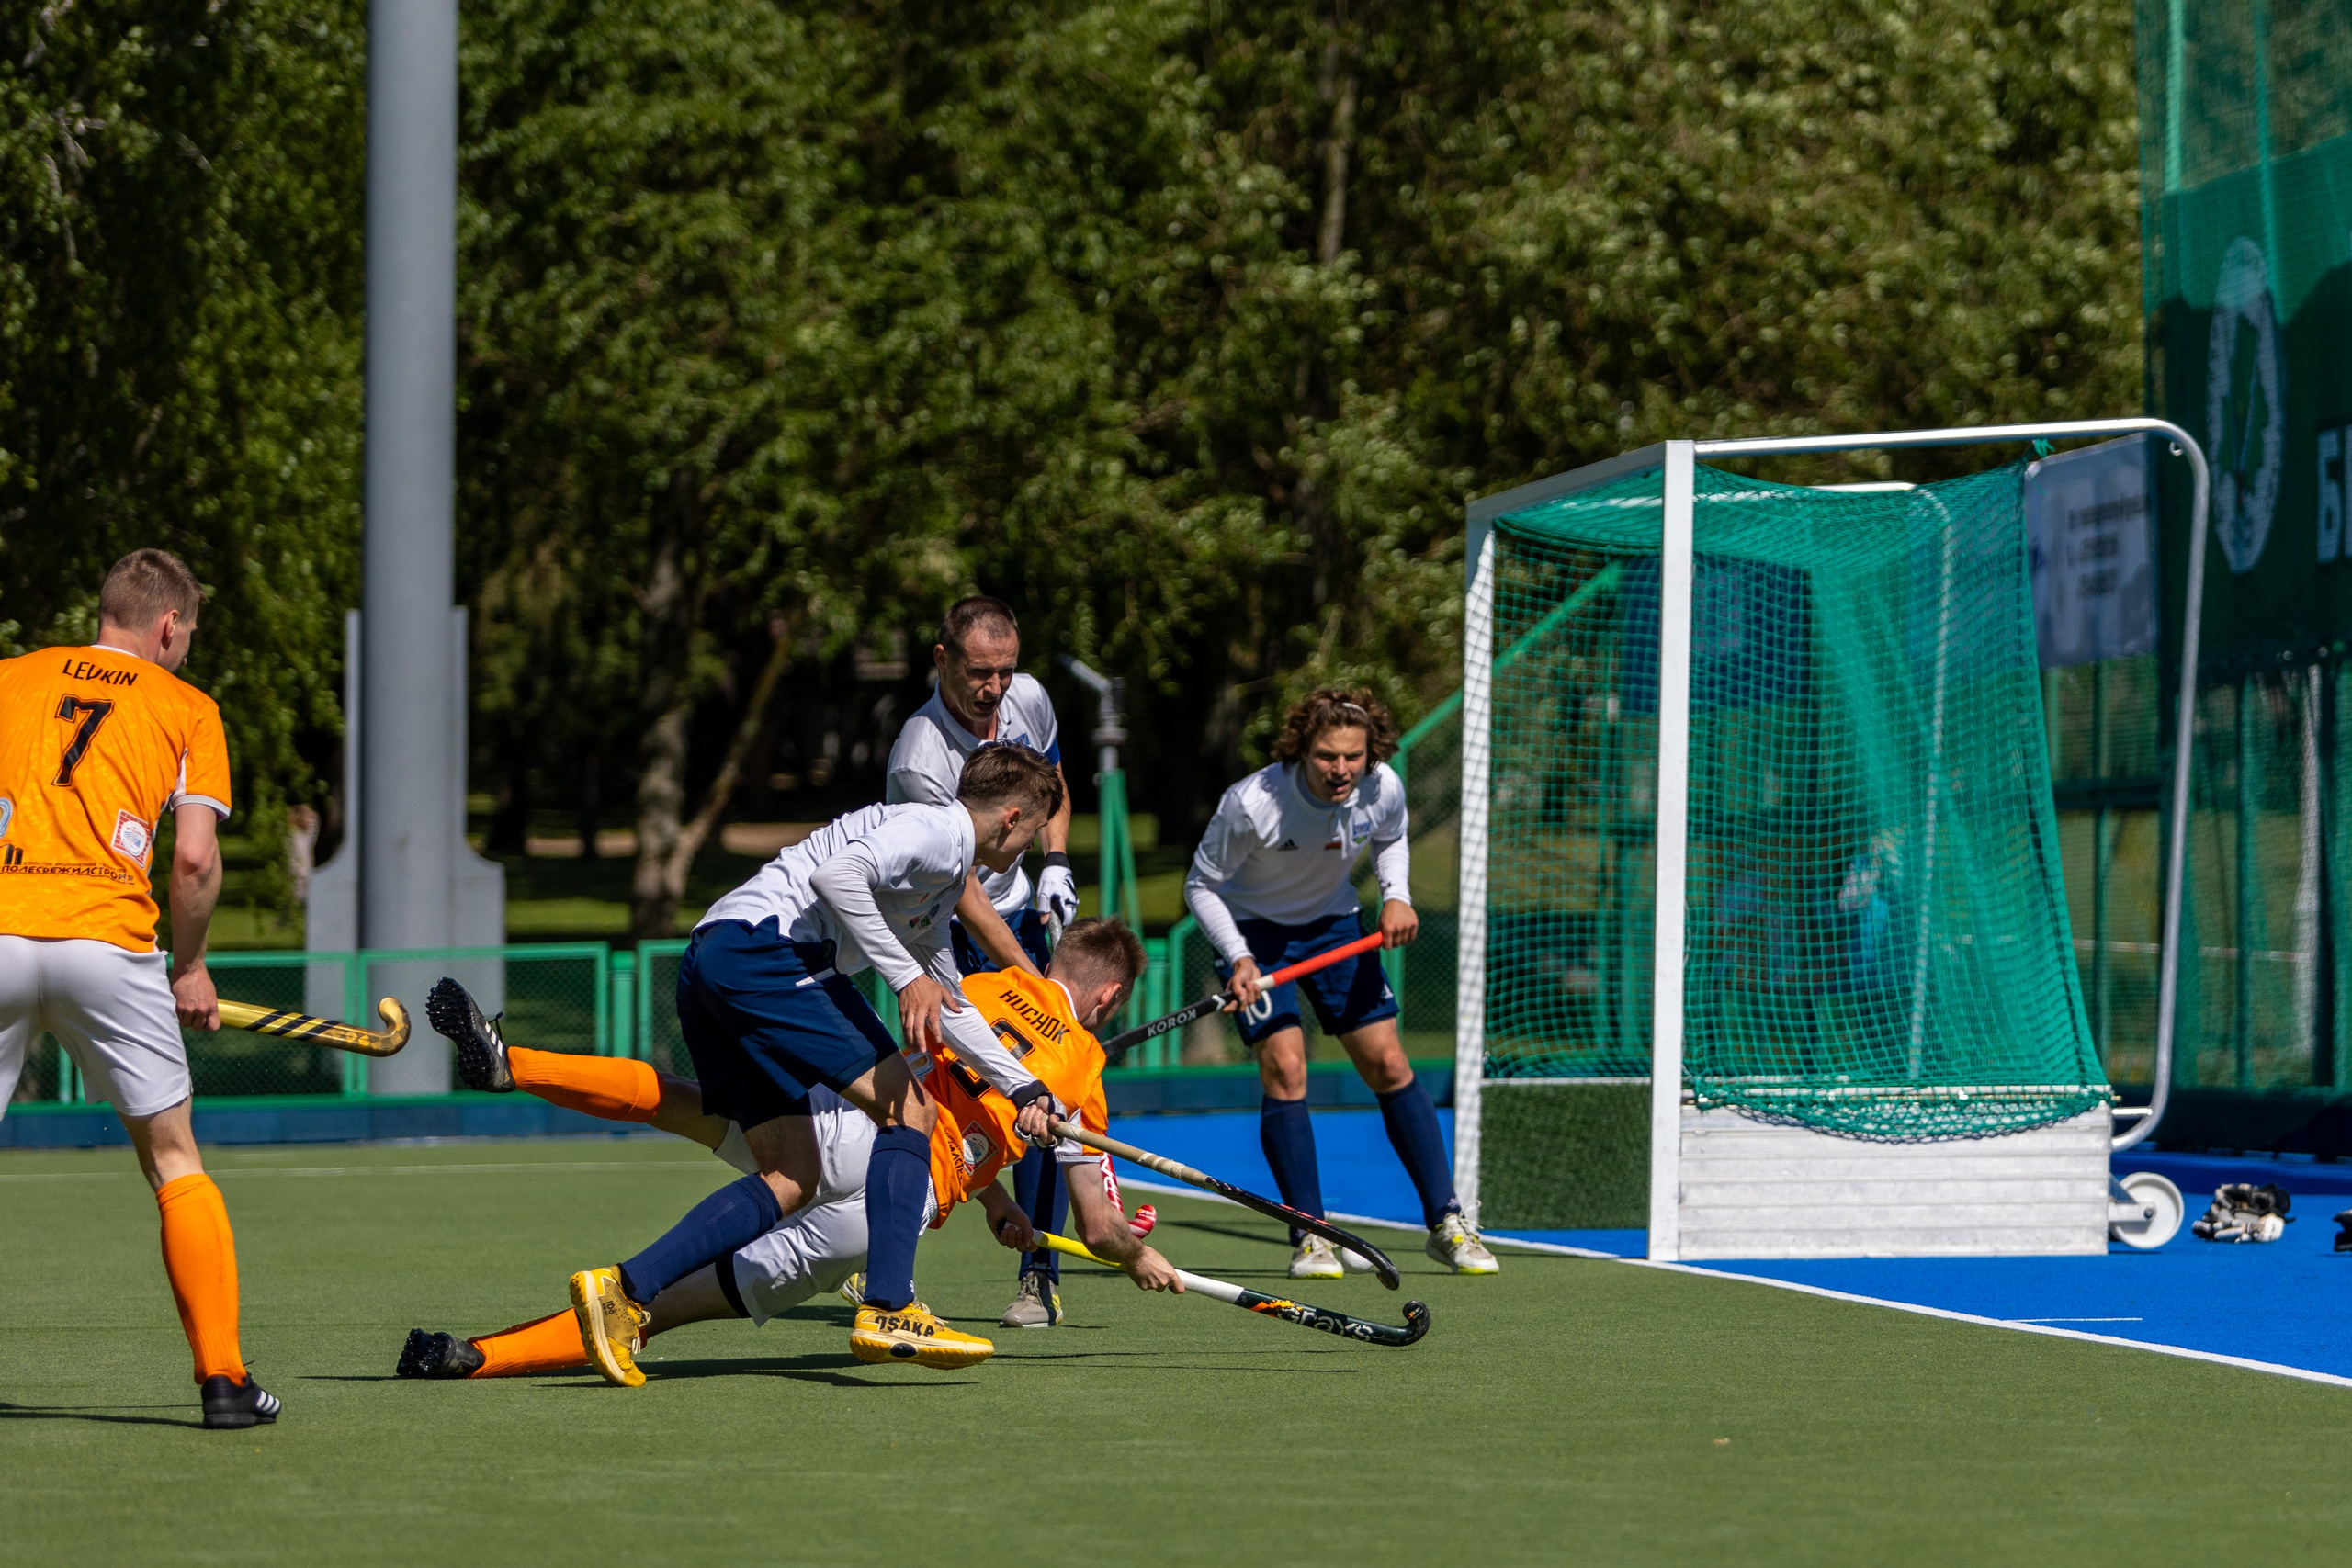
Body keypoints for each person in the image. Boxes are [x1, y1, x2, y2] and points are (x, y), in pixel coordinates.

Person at [398, 919, 1175, 1384]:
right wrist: (1139, 1257)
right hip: (883, 1213)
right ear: (1106, 1001)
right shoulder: (1086, 1068)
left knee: (683, 1102)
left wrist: (995, 1195)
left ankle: (517, 1063)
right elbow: (1099, 1224)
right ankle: (474, 1356)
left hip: (852, 1123)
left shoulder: (985, 980)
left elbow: (957, 1085)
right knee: (662, 1309)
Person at [560, 743, 1069, 1372]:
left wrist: (1024, 1088)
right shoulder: (938, 829)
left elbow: (954, 1005)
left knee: (793, 1174)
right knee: (913, 1111)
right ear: (1013, 816)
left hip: (716, 955)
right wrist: (906, 980)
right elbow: (839, 876)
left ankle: (623, 1290)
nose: (1024, 853)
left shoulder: (938, 879)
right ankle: (889, 1301)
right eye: (1032, 836)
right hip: (768, 954)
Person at [0, 549, 280, 1428]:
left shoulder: (10, 679)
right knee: (172, 1159)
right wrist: (188, 966)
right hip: (109, 944)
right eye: (189, 633)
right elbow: (192, 858)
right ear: (167, 625)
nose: (188, 650)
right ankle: (226, 1383)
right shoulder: (189, 709)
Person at [1185, 687, 1498, 1278]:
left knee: (1388, 1063)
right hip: (1255, 936)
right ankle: (1310, 1235)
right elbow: (1202, 886)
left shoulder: (1382, 786)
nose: (1342, 770)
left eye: (1353, 757)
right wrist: (1240, 958)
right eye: (1328, 756)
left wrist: (1397, 896)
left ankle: (1447, 1223)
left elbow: (1391, 837)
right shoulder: (1254, 803)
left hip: (1335, 928)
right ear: (1303, 750)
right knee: (1286, 1067)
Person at [885, 595, 1081, 1330]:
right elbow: (962, 886)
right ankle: (886, 1263)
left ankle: (1040, 1276)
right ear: (941, 661)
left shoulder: (1028, 695)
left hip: (1020, 909)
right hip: (939, 928)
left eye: (1004, 670)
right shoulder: (920, 755)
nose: (995, 688)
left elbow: (1053, 786)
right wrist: (1031, 976)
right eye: (978, 671)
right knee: (942, 1090)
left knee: (1038, 1090)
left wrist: (1056, 861)